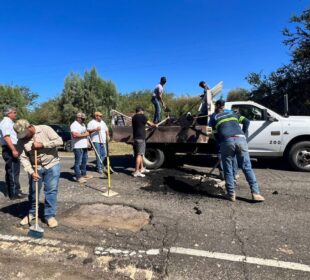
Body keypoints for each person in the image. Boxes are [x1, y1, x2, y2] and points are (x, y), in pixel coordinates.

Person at [209, 99, 265, 202]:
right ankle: (256, 193)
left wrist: (221, 143)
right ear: (224, 106)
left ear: (216, 106)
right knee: (247, 167)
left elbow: (215, 134)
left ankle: (231, 194)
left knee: (228, 169)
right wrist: (243, 134)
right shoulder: (233, 113)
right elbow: (247, 121)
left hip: (226, 141)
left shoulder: (213, 117)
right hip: (240, 140)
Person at [14, 119, 63, 228]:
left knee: (51, 190)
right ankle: (32, 213)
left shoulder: (45, 129)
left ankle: (49, 215)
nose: (24, 138)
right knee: (33, 191)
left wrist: (42, 144)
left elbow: (59, 141)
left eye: (25, 134)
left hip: (52, 164)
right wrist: (31, 172)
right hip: (35, 167)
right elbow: (22, 158)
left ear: (30, 127)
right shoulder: (22, 140)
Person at [0, 106, 26, 200]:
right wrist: (13, 150)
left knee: (10, 170)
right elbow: (7, 137)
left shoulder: (9, 122)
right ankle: (15, 193)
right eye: (14, 112)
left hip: (10, 148)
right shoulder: (6, 122)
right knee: (13, 171)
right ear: (9, 113)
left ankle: (10, 191)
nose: (16, 114)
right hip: (10, 148)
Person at [132, 106, 157, 177]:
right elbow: (150, 124)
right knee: (139, 155)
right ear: (141, 111)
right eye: (143, 111)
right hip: (140, 138)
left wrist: (145, 128)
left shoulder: (134, 117)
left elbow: (141, 125)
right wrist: (154, 125)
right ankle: (136, 171)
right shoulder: (142, 116)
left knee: (141, 154)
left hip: (136, 138)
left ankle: (142, 168)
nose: (143, 112)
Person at [70, 112, 93, 183]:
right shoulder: (74, 125)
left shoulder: (83, 124)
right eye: (82, 118)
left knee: (84, 161)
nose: (84, 120)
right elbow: (75, 135)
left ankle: (84, 174)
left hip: (84, 146)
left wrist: (87, 142)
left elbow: (86, 134)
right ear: (78, 118)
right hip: (77, 146)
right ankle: (78, 177)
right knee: (78, 162)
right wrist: (85, 134)